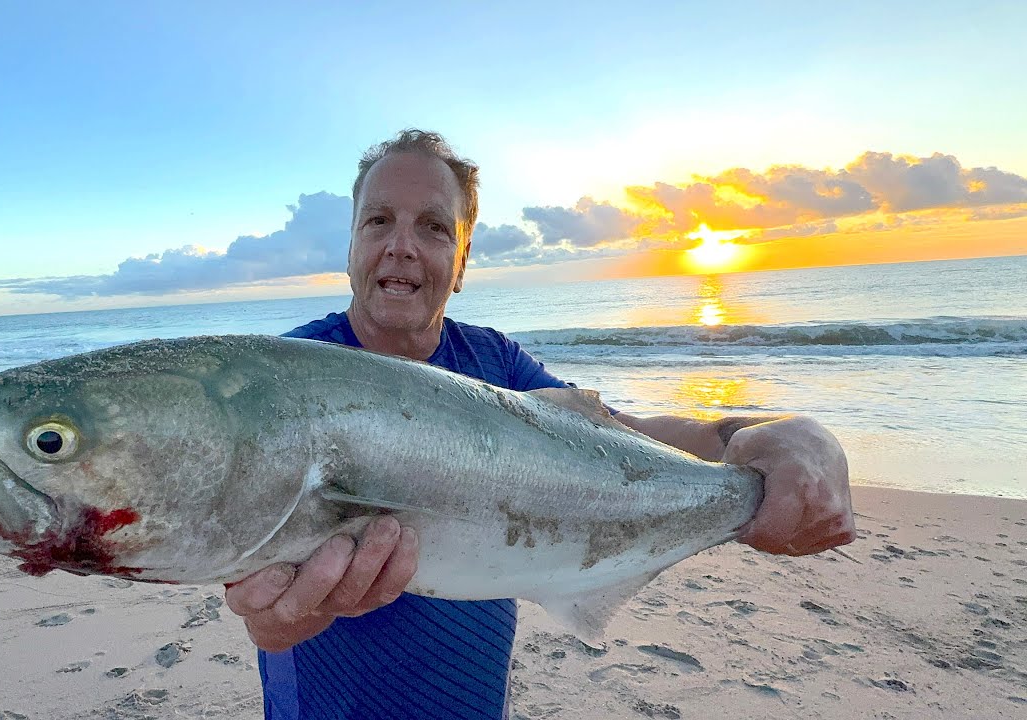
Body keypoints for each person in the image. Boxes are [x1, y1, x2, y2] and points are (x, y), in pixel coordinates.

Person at [224, 130, 854, 719]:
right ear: (353, 245)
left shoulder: (495, 362)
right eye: (378, 220)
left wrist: (756, 436)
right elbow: (253, 588)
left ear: (463, 262)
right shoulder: (290, 380)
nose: (401, 245)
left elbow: (616, 435)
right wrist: (275, 618)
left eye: (435, 227)